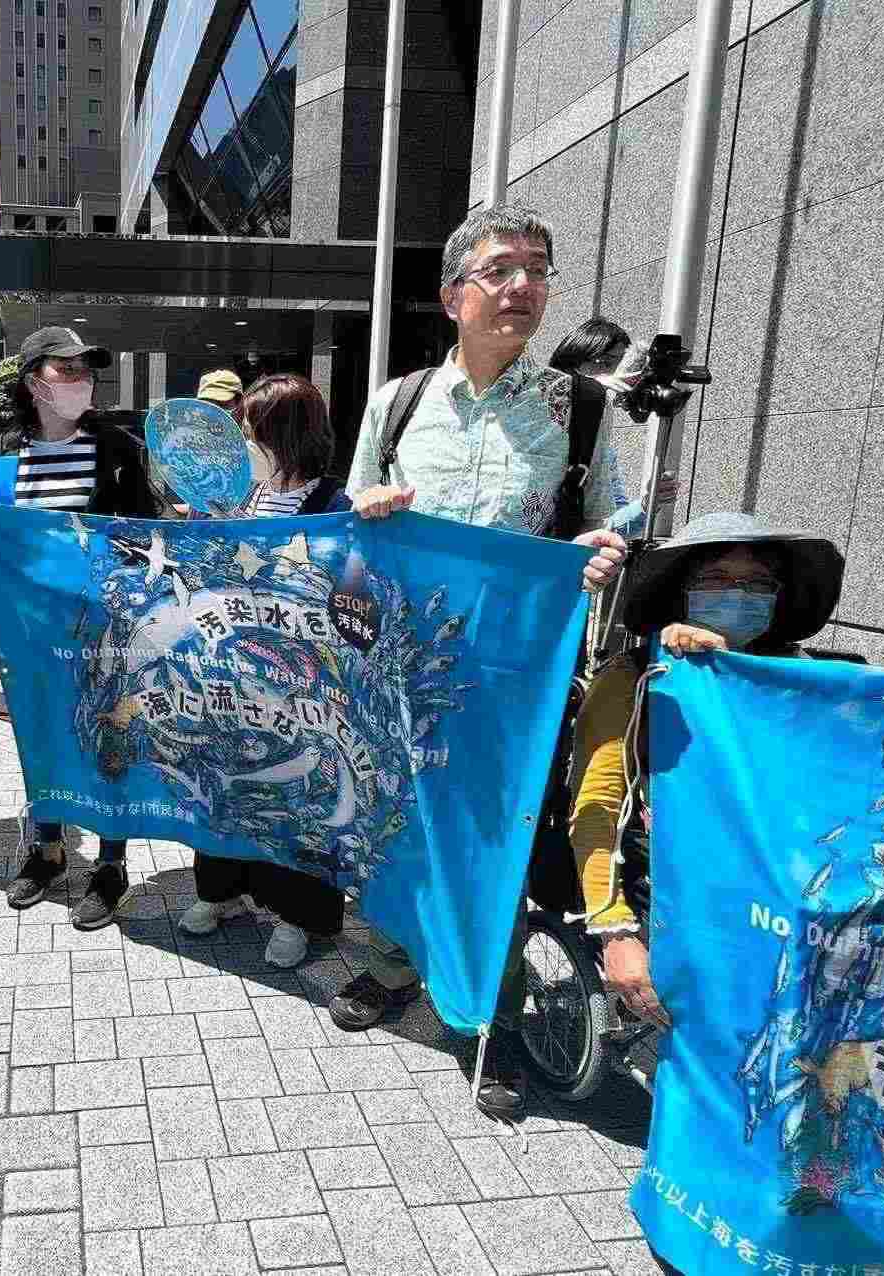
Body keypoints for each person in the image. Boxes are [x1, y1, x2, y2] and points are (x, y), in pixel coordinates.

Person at [341, 204, 628, 1121]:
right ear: (452, 295)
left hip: (514, 677)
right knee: (397, 824)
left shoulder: (579, 409)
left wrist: (603, 549)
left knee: (496, 841)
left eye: (537, 269)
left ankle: (492, 1020)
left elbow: (611, 516)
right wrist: (368, 511)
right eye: (500, 269)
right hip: (402, 671)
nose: (522, 286)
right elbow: (350, 519)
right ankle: (394, 963)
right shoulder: (398, 402)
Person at [569, 512, 844, 1027]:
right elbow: (596, 810)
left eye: (757, 583)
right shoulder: (634, 679)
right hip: (679, 890)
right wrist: (615, 933)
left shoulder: (807, 680)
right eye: (716, 578)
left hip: (786, 891)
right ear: (681, 591)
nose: (737, 593)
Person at [0, 326, 158, 929]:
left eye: (87, 370)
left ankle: (110, 863)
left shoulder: (117, 447)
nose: (82, 380)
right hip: (30, 631)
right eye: (68, 369)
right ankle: (48, 848)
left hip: (104, 628)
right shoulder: (4, 452)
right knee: (40, 734)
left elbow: (144, 534)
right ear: (35, 382)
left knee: (108, 738)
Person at [180, 373, 350, 967]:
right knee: (223, 781)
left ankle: (296, 914)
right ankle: (221, 891)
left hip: (297, 681)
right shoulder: (235, 497)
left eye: (252, 429)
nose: (243, 441)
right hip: (228, 672)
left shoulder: (335, 504)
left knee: (296, 792)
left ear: (288, 434)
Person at [548, 317, 679, 537]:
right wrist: (587, 391)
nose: (615, 374)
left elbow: (606, 526)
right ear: (571, 364)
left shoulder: (603, 450)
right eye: (604, 363)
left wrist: (647, 504)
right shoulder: (530, 415)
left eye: (623, 365)